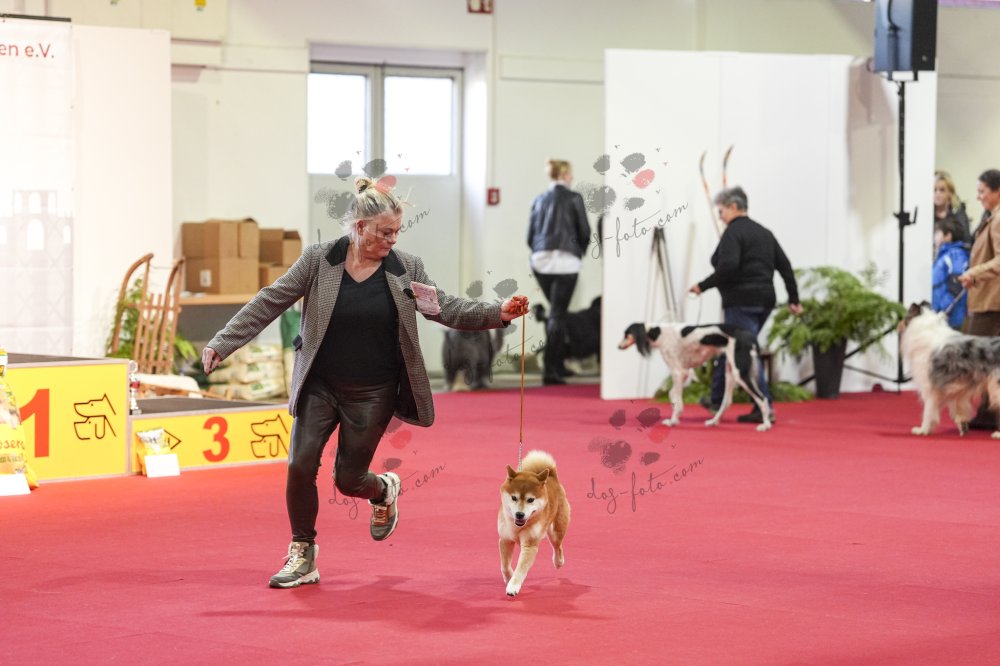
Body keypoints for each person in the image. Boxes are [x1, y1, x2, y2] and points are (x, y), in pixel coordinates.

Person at [202, 177, 529, 588]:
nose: (393, 240)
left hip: (373, 391)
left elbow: (444, 308)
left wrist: (498, 312)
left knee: (348, 479)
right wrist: (223, 342)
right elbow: (271, 299)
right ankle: (303, 552)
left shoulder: (405, 268)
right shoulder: (319, 260)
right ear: (359, 227)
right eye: (385, 232)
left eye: (397, 232)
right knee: (300, 465)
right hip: (320, 383)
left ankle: (383, 490)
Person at [689, 186, 802, 424]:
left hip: (741, 302)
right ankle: (717, 398)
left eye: (721, 212)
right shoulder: (765, 233)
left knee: (743, 352)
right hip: (765, 301)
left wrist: (702, 286)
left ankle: (764, 406)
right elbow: (785, 267)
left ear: (733, 207)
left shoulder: (733, 233)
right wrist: (793, 299)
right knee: (731, 347)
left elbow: (728, 267)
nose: (720, 217)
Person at [527, 158, 591, 385]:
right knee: (557, 313)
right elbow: (584, 231)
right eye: (570, 173)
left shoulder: (539, 199)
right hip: (566, 262)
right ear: (564, 175)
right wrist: (579, 252)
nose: (572, 177)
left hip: (540, 262)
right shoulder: (574, 198)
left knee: (556, 312)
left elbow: (530, 236)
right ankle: (550, 369)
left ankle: (558, 365)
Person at [957, 169, 1000, 429]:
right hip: (987, 299)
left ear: (997, 191)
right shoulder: (992, 217)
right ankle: (987, 412)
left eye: (982, 191)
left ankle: (992, 413)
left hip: (992, 302)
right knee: (986, 360)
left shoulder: (998, 219)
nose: (978, 196)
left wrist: (974, 272)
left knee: (982, 358)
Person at [931, 217, 969, 330]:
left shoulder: (956, 255)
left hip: (949, 317)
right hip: (939, 315)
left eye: (937, 233)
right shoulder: (944, 255)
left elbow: (957, 286)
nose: (934, 237)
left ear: (948, 236)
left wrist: (943, 310)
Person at [934, 170, 972, 247]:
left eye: (942, 190)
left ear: (950, 193)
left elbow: (967, 241)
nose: (937, 194)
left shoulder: (958, 212)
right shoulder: (926, 213)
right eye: (934, 190)